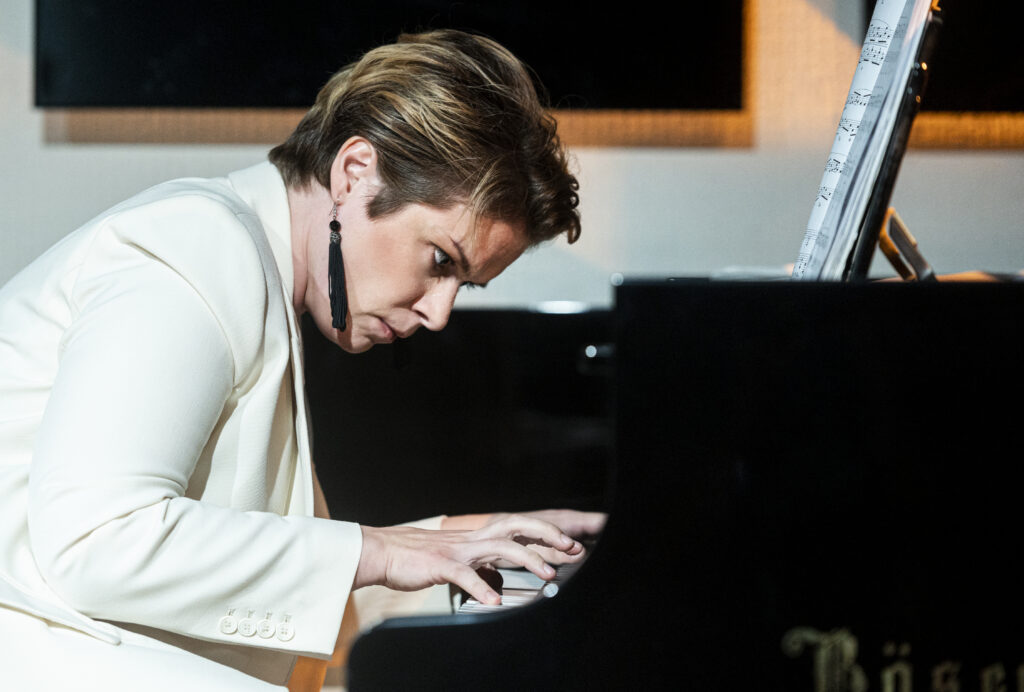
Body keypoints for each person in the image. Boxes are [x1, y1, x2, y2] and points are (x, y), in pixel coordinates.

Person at [0, 29, 603, 690]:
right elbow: (96, 544)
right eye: (440, 261)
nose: (439, 314)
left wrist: (469, 537)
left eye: (465, 285)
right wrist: (381, 550)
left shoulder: (251, 266)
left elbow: (266, 576)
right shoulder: (195, 246)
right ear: (355, 172)